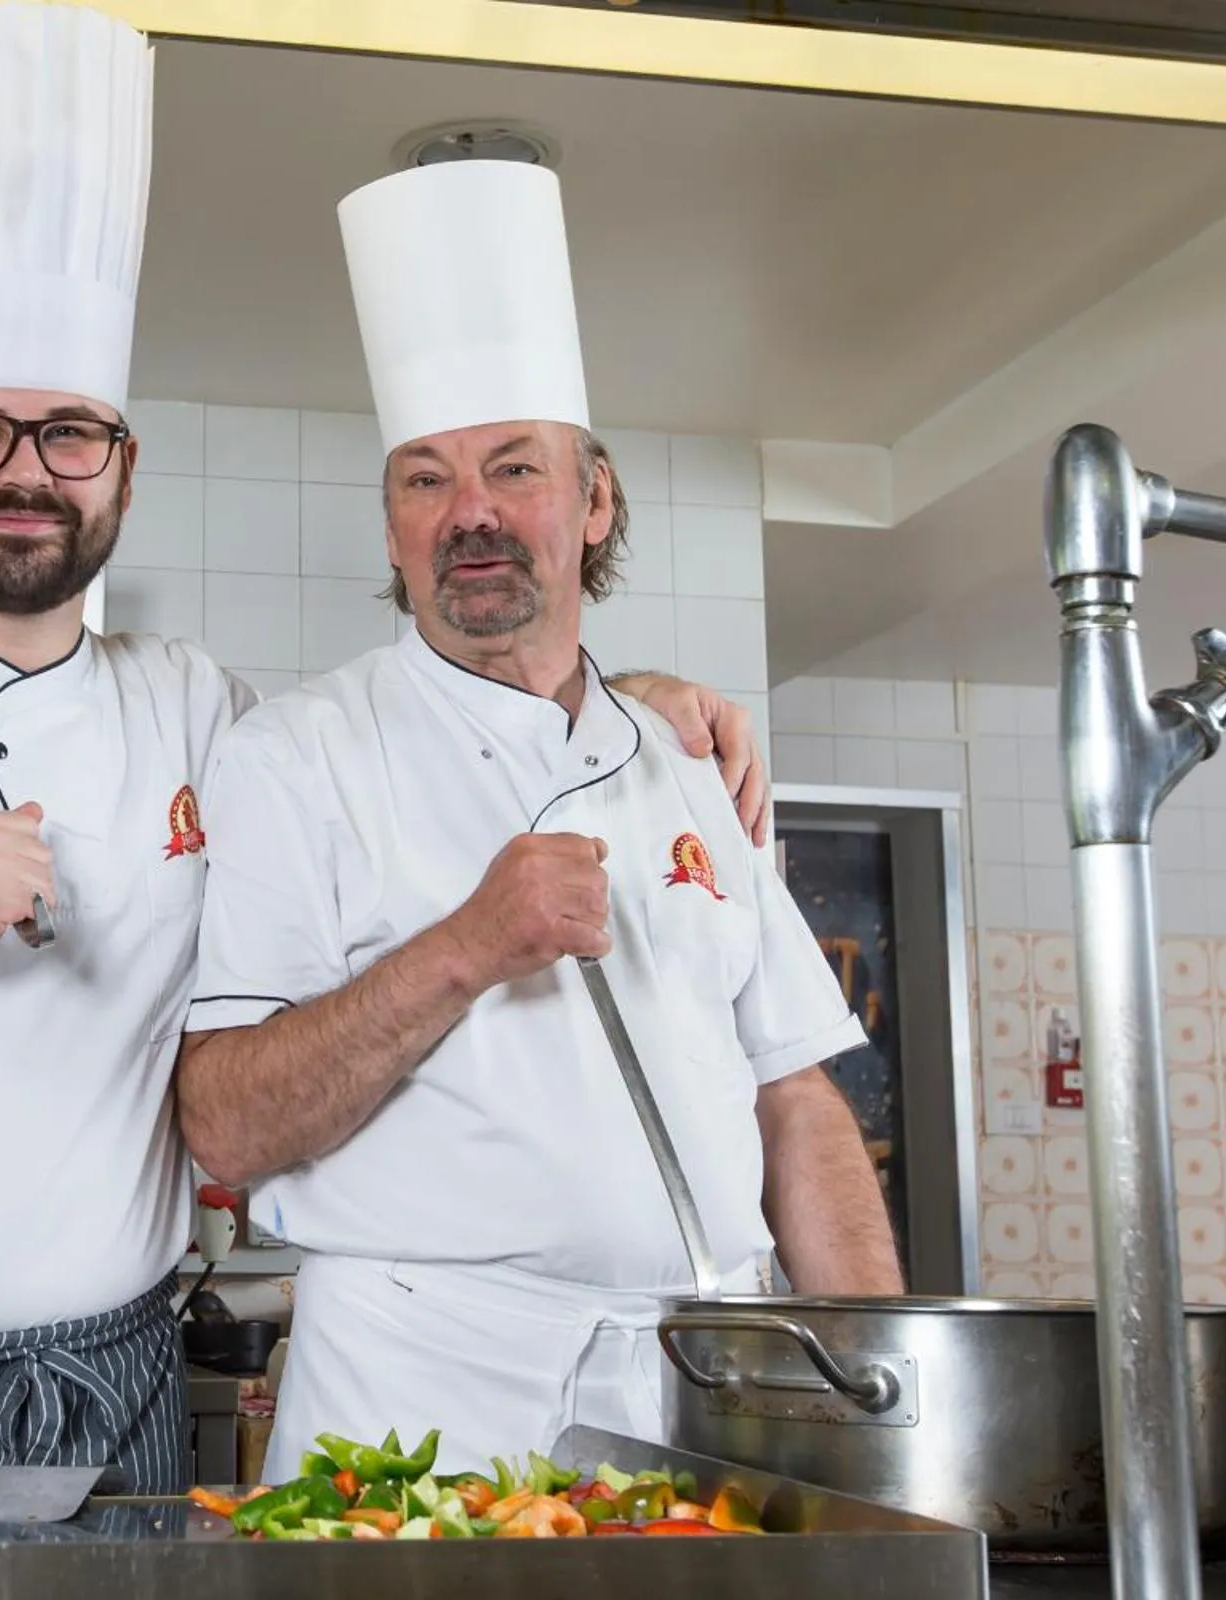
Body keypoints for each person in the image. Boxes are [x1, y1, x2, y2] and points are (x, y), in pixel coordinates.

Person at [0, 3, 762, 1498]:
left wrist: (613, 697)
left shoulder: (197, 707)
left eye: (69, 434)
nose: (24, 474)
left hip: (114, 1378)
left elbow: (425, 727)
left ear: (122, 468)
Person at [174, 157, 904, 1481]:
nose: (473, 514)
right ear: (393, 528)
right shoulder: (295, 757)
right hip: (417, 1409)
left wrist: (875, 1390)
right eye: (425, 479)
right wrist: (463, 948)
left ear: (596, 501)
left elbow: (796, 1099)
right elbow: (224, 1125)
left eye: (515, 467)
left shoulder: (686, 763)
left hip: (705, 1400)